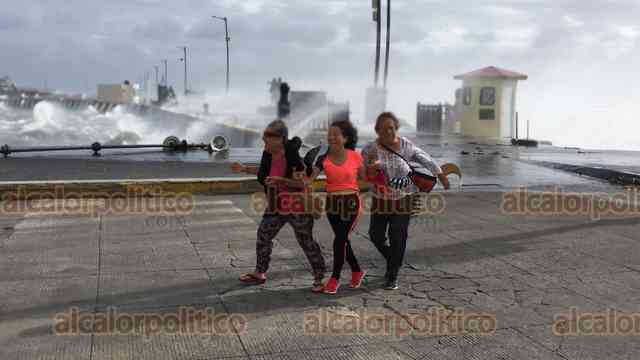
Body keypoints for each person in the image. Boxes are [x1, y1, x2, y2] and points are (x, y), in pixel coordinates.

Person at [230, 120, 326, 293]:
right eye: (264, 136)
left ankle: (319, 277)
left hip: (297, 206)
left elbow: (301, 183)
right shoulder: (268, 154)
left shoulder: (292, 156)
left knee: (305, 241)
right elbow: (265, 172)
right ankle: (260, 272)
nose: (263, 140)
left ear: (280, 139)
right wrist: (244, 168)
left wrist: (281, 180)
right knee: (263, 235)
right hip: (276, 203)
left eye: (267, 137)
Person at [361, 112, 450, 290]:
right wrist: (369, 167)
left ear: (396, 129)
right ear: (377, 130)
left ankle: (392, 275)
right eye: (384, 129)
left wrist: (440, 175)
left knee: (397, 236)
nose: (388, 132)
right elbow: (363, 173)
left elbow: (425, 159)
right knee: (376, 236)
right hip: (380, 200)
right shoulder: (369, 149)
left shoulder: (405, 146)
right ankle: (394, 259)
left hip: (403, 200)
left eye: (391, 128)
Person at [305, 119, 367, 294]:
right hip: (332, 204)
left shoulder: (355, 156)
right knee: (343, 241)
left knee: (339, 240)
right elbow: (310, 180)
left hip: (351, 203)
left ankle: (335, 278)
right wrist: (305, 177)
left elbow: (365, 179)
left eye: (335, 134)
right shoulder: (323, 158)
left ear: (345, 138)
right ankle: (357, 271)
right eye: (329, 134)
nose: (331, 137)